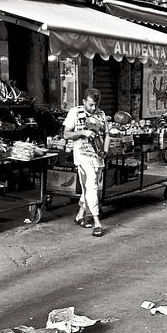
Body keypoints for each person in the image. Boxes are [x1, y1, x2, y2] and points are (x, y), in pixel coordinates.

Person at [63, 88, 109, 237]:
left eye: (96, 104)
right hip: (82, 156)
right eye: (90, 104)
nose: (93, 108)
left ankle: (79, 215)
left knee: (90, 187)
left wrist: (105, 150)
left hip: (98, 158)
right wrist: (83, 132)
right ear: (83, 101)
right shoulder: (74, 112)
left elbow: (107, 134)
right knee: (92, 185)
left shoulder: (101, 114)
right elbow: (66, 134)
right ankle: (97, 221)